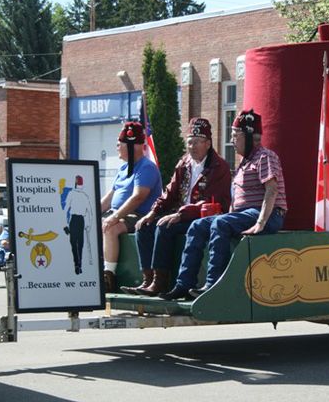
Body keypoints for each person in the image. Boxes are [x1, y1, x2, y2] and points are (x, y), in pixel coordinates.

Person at [159, 109, 287, 300]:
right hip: (244, 214)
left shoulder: (265, 157)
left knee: (220, 224)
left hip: (266, 214)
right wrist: (228, 214)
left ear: (250, 136)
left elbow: (272, 190)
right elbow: (236, 200)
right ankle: (184, 284)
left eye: (235, 136)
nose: (232, 141)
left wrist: (260, 223)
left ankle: (213, 285)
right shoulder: (245, 162)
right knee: (197, 225)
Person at [122, 118, 231, 296]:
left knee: (164, 227)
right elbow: (169, 192)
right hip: (180, 214)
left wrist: (181, 214)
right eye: (189, 142)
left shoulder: (219, 167)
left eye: (197, 142)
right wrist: (153, 212)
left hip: (203, 218)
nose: (192, 146)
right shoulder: (184, 163)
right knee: (144, 226)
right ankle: (148, 278)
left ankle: (161, 281)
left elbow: (214, 203)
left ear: (208, 143)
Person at [101, 121, 163, 292]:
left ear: (131, 146)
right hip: (120, 214)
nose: (117, 147)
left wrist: (114, 217)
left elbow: (138, 197)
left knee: (110, 227)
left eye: (119, 144)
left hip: (140, 216)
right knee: (93, 224)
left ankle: (108, 275)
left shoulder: (147, 167)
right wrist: (90, 213)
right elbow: (109, 198)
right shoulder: (123, 169)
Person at [63, 175, 93, 275]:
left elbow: (90, 212)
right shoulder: (81, 195)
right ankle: (78, 264)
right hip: (78, 220)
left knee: (76, 243)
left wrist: (89, 225)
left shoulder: (79, 195)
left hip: (77, 220)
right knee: (77, 243)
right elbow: (90, 213)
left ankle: (78, 264)